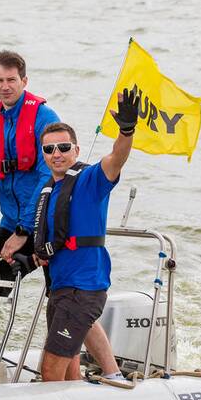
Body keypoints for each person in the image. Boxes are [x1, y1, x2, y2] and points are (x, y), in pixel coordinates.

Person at [33, 89, 139, 382]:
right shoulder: (49, 191)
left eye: (63, 147)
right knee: (69, 368)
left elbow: (117, 158)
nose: (56, 154)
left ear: (76, 150)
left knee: (50, 369)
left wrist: (126, 131)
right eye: (49, 149)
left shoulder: (91, 180)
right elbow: (50, 240)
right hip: (60, 286)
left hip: (84, 287)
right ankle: (97, 385)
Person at [0, 50, 60, 288]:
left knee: (59, 293)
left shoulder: (44, 117)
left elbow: (48, 176)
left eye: (11, 80)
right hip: (11, 222)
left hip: (45, 222)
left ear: (24, 81)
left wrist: (24, 230)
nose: (5, 86)